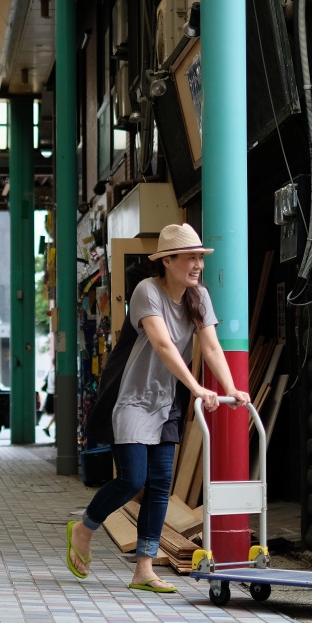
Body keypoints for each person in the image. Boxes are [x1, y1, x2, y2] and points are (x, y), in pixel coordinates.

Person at [66, 223, 250, 593]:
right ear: (167, 261)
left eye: (200, 258)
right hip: (132, 398)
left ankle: (144, 569)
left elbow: (212, 347)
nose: (197, 265)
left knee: (160, 485)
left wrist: (231, 387)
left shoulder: (199, 296)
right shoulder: (146, 291)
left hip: (166, 403)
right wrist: (197, 387)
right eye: (190, 258)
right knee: (132, 479)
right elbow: (163, 345)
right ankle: (84, 528)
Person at [41, 367, 55, 437]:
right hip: (54, 394)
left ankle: (47, 428)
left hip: (50, 393)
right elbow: (55, 382)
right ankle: (47, 428)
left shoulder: (50, 371)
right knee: (57, 413)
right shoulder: (54, 372)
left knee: (56, 414)